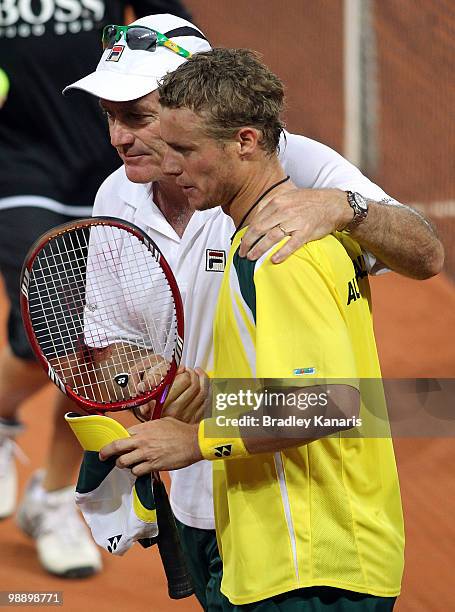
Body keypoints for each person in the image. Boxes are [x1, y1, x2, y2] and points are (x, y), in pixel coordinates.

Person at [63, 13, 443, 607]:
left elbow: (330, 400)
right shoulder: (115, 195)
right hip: (215, 500)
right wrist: (164, 387)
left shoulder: (291, 199)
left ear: (198, 97)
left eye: (138, 115)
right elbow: (108, 341)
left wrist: (347, 206)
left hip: (306, 524)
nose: (119, 136)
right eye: (108, 116)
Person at [0, 0, 192, 578]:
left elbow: (180, 39)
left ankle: (53, 498)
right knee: (54, 334)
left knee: (91, 344)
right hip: (18, 168)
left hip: (111, 165)